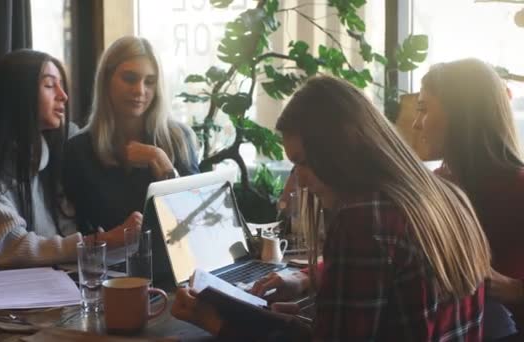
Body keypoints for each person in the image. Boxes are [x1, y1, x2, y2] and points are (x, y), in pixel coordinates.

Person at [171, 75, 491, 341]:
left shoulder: (364, 221)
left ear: (341, 153)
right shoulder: (448, 195)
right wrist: (293, 322)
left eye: (304, 164)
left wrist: (219, 324)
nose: (301, 181)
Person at [0, 50, 129, 299]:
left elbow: (63, 230)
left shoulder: (46, 158)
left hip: (28, 291)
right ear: (18, 95)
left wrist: (112, 242)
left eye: (61, 87)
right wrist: (94, 242)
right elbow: (9, 248)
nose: (63, 96)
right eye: (49, 86)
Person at [412, 58, 524, 340]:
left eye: (424, 110)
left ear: (461, 114)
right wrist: (308, 276)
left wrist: (512, 287)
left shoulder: (518, 188)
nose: (415, 124)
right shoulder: (432, 186)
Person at [62, 36, 199, 235]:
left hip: (173, 263)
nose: (140, 90)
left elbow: (196, 221)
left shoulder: (178, 138)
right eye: (129, 78)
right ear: (106, 79)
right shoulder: (79, 149)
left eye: (150, 82)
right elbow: (75, 230)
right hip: (106, 264)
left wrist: (160, 160)